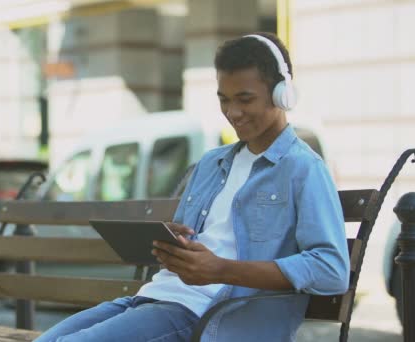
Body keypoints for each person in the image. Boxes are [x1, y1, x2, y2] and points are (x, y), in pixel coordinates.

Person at [35, 32, 349, 342]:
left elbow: (331, 269)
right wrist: (173, 243)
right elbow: (189, 241)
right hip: (153, 299)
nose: (233, 113)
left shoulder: (303, 169)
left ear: (283, 94)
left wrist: (221, 269)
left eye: (245, 99)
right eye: (224, 100)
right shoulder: (211, 164)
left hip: (206, 317)